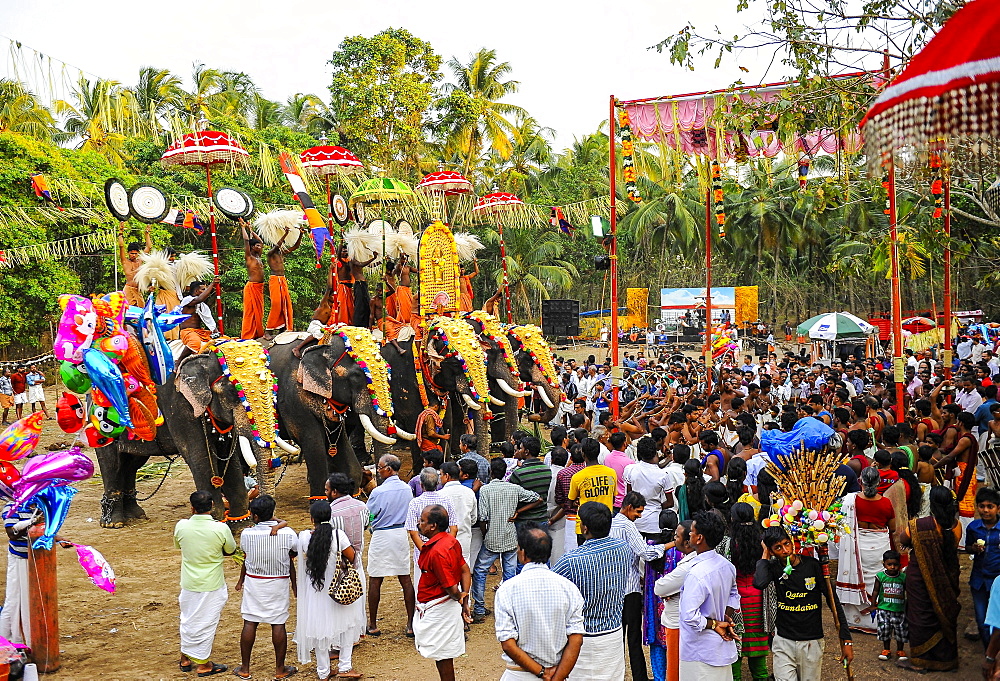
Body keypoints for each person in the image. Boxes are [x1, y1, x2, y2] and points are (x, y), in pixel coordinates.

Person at [754, 526, 853, 681]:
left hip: (811, 641)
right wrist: (765, 554)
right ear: (772, 552)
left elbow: (833, 602)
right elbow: (759, 582)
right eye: (778, 548)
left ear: (792, 542)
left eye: (786, 544)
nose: (785, 551)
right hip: (783, 641)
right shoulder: (773, 568)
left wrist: (846, 640)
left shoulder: (812, 566)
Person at [493, 523, 585, 680]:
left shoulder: (507, 590)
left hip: (519, 673)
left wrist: (542, 672)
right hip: (558, 671)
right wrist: (556, 677)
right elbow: (576, 639)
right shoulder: (569, 588)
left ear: (522, 553)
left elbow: (508, 643)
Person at [553, 502, 632, 680]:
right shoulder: (623, 548)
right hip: (613, 634)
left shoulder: (571, 560)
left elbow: (548, 586)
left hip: (582, 639)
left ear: (585, 528)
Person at [294, 500, 365, 679]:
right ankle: (345, 666)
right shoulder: (338, 535)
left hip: (316, 593)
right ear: (330, 516)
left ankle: (323, 671)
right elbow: (352, 556)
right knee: (348, 626)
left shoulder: (304, 537)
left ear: (312, 519)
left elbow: (297, 554)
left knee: (320, 632)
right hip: (338, 590)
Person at [232, 494, 298, 681]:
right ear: (272, 513)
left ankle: (245, 668)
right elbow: (293, 550)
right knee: (278, 623)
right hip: (278, 582)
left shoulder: (246, 534)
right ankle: (279, 669)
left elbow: (246, 555)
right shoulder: (287, 533)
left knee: (250, 621)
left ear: (254, 515)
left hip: (254, 582)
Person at [898, 486, 961, 671]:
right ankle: (945, 660)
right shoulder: (957, 526)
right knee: (943, 612)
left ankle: (920, 661)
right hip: (947, 579)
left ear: (931, 504)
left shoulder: (918, 525)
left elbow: (903, 539)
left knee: (920, 616)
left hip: (920, 578)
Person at [174, 490, 237, 677]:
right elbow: (231, 549)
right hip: (212, 583)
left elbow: (179, 545)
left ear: (192, 507)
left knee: (188, 620)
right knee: (205, 622)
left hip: (189, 582)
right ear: (212, 506)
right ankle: (203, 664)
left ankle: (185, 657)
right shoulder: (220, 528)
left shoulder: (182, 526)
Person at [471, 458, 542, 622]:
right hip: (510, 537)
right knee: (510, 573)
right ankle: (509, 609)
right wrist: (519, 512)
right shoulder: (514, 488)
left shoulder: (486, 490)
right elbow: (537, 498)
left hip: (492, 538)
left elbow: (482, 517)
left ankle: (479, 609)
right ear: (505, 473)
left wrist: (484, 534)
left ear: (490, 472)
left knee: (481, 571)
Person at [610, 491, 667, 681]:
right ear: (628, 508)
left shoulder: (609, 523)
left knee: (616, 638)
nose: (639, 516)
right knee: (633, 639)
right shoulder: (627, 526)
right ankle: (639, 677)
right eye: (638, 512)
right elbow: (646, 553)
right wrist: (669, 545)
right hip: (630, 589)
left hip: (613, 590)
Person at [677, 510, 740, 680]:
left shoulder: (697, 574)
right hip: (720, 646)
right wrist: (725, 617)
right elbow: (734, 597)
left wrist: (715, 623)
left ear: (699, 538)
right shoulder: (726, 566)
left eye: (692, 531)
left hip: (699, 651)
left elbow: (689, 615)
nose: (689, 533)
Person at [413, 505, 473, 681]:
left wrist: (458, 596)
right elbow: (464, 570)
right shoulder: (450, 541)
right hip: (441, 604)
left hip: (439, 606)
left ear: (433, 526)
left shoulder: (438, 552)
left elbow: (451, 587)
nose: (419, 523)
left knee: (443, 654)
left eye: (422, 521)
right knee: (442, 654)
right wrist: (465, 598)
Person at [836, 467, 894, 633]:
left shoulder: (849, 501)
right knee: (877, 582)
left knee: (856, 578)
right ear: (879, 483)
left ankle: (854, 621)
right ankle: (876, 623)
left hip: (855, 549)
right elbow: (893, 528)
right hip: (878, 549)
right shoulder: (885, 503)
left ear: (860, 481)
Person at [365, 455, 416, 637]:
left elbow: (369, 515)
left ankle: (372, 624)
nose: (378, 471)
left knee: (376, 578)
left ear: (388, 469)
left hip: (381, 536)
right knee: (405, 578)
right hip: (400, 534)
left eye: (379, 467)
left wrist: (371, 524)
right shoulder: (406, 489)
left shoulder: (378, 492)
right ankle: (410, 624)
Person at [726, 502, 769, 681]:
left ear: (732, 519)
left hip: (736, 600)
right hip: (758, 597)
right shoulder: (761, 542)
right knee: (758, 646)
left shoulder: (728, 544)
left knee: (733, 641)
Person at [405, 468, 458, 579]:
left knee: (422, 588)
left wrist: (426, 551)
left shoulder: (415, 503)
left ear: (421, 484)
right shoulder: (446, 500)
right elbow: (454, 528)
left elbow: (413, 532)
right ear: (438, 483)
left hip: (422, 551)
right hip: (444, 550)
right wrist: (445, 548)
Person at [860, 549, 908, 663]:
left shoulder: (903, 577)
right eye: (889, 564)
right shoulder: (880, 576)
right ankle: (886, 650)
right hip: (883, 609)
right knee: (885, 630)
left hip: (899, 610)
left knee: (900, 630)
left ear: (899, 565)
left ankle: (900, 650)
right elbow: (875, 591)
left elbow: (907, 591)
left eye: (895, 565)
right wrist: (872, 605)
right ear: (884, 564)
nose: (892, 567)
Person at [623, 437, 676, 538]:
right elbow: (670, 502)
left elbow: (628, 496)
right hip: (654, 523)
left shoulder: (630, 469)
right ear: (655, 452)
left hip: (635, 523)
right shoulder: (664, 474)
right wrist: (657, 506)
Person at [567, 438, 617, 544]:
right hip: (605, 524)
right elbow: (613, 499)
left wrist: (577, 501)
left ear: (583, 454)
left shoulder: (577, 477)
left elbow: (570, 503)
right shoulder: (611, 473)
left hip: (584, 526)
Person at [968, 487, 1000, 648]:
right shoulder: (973, 528)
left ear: (998, 508)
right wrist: (973, 548)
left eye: (990, 506)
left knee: (996, 621)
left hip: (997, 582)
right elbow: (967, 547)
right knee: (982, 621)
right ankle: (989, 651)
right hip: (978, 580)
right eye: (982, 506)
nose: (985, 510)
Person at [0, 501, 36, 645]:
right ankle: (11, 640)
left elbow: (43, 531)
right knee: (15, 600)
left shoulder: (39, 505)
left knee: (30, 601)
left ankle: (27, 639)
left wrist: (59, 540)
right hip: (19, 558)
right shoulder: (13, 507)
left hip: (36, 559)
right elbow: (12, 534)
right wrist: (32, 522)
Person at [508, 435, 552, 533]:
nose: (519, 451)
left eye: (520, 448)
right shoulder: (548, 470)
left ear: (526, 452)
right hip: (542, 519)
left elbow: (513, 497)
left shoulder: (518, 473)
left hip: (524, 521)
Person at [438, 461, 477, 565]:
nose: (440, 478)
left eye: (440, 475)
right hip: (464, 537)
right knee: (464, 566)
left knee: (446, 568)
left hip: (444, 539)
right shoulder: (469, 492)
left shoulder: (439, 495)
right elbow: (473, 518)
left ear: (446, 476)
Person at [264, 226, 299, 336]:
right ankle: (268, 330)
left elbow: (296, 246)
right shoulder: (270, 253)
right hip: (274, 279)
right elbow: (277, 245)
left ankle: (282, 327)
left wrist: (301, 234)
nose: (281, 244)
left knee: (285, 303)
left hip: (282, 279)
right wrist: (285, 234)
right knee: (276, 304)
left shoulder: (282, 253)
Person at [176, 279, 220, 353]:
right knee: (195, 343)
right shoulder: (187, 300)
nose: (205, 291)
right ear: (196, 291)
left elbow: (209, 320)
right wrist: (212, 284)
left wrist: (217, 333)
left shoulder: (203, 306)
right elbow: (199, 299)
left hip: (200, 332)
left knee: (224, 339)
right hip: (188, 332)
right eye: (203, 289)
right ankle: (179, 362)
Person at [240, 224, 267, 340]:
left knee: (259, 312)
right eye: (257, 246)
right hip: (251, 287)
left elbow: (261, 241)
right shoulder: (249, 257)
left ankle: (257, 333)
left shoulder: (258, 256)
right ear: (251, 247)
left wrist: (251, 230)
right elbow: (246, 240)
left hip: (259, 287)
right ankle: (247, 335)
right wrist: (242, 227)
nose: (260, 247)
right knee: (250, 313)